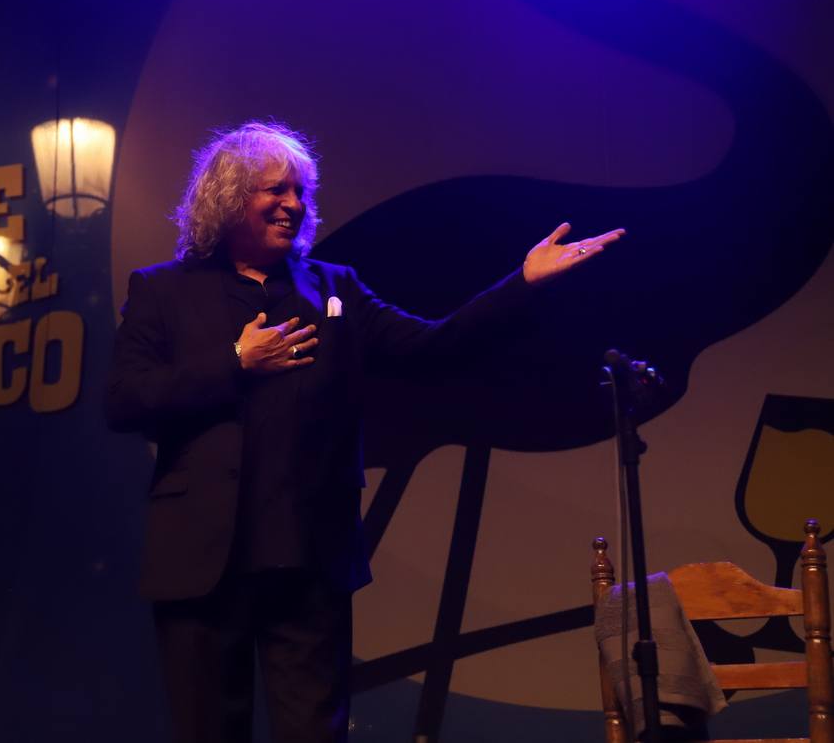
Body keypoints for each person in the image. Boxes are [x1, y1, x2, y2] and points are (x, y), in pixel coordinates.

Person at [105, 121, 624, 743]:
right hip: (203, 563)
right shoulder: (163, 291)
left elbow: (433, 347)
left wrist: (523, 284)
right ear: (229, 197)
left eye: (301, 192)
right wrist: (235, 362)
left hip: (308, 557)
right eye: (276, 190)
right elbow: (125, 402)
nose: (294, 204)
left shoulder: (333, 287)